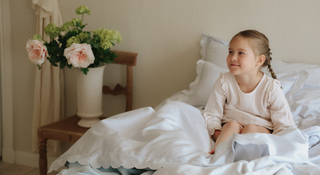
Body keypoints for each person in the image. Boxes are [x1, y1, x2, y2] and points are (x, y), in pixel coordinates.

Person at [203, 30, 296, 154]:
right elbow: (212, 113)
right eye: (230, 52)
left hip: (261, 127)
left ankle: (245, 155)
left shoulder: (271, 88)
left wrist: (277, 144)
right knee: (231, 125)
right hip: (231, 123)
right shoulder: (224, 81)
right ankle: (220, 155)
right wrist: (217, 134)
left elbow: (284, 124)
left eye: (241, 53)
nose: (233, 57)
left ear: (259, 60)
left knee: (250, 128)